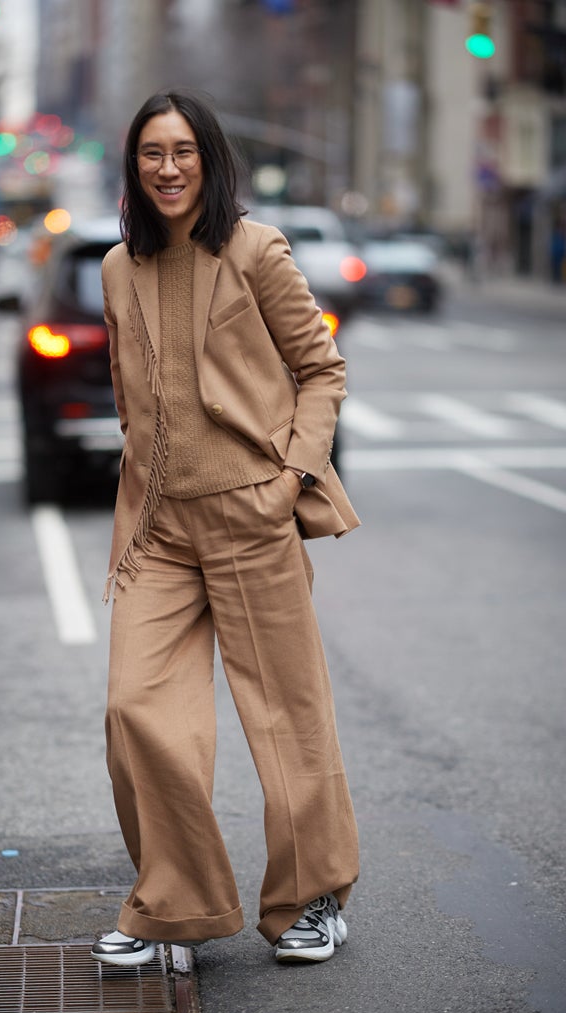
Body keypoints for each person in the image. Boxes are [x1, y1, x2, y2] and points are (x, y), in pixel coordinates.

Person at [91, 89, 360, 968]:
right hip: (159, 529)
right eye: (150, 155)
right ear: (133, 169)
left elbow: (320, 371)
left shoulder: (254, 251)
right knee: (137, 710)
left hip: (252, 514)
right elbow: (135, 401)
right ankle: (176, 903)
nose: (167, 169)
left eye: (183, 153)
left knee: (287, 720)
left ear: (209, 159)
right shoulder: (115, 270)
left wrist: (289, 481)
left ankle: (310, 900)